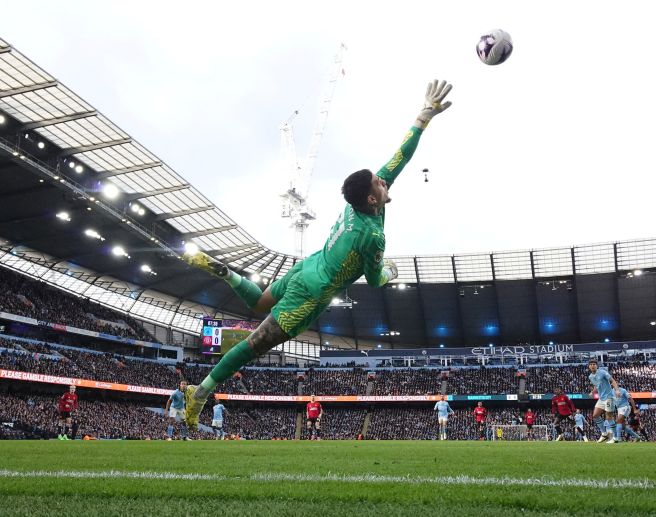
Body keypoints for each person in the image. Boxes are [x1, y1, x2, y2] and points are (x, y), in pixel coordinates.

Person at [180, 80, 454, 428]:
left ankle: (226, 272)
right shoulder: (371, 235)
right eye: (380, 183)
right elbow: (373, 280)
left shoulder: (361, 205)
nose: (385, 181)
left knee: (261, 302)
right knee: (256, 343)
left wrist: (423, 117)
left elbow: (399, 158)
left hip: (309, 265)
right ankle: (200, 393)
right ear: (372, 199)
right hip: (311, 294)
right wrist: (390, 272)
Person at [588, 359, 621, 443]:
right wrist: (592, 392)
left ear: (597, 365)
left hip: (609, 397)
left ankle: (615, 437)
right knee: (595, 415)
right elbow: (597, 385)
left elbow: (612, 380)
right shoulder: (590, 377)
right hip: (601, 398)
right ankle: (604, 434)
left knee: (609, 417)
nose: (592, 365)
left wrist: (617, 390)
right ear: (589, 366)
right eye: (591, 364)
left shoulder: (602, 372)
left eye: (594, 364)